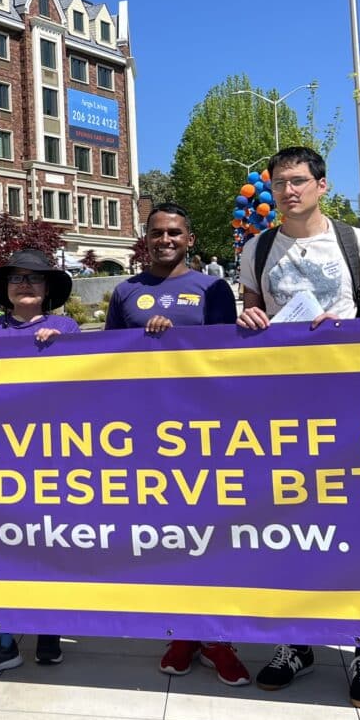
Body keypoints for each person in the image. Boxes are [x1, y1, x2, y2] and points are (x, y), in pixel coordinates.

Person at [236, 147, 360, 706]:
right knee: (291, 525)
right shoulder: (260, 247)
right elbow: (250, 323)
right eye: (279, 184)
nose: (288, 191)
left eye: (299, 182)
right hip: (285, 408)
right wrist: (249, 318)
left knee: (358, 525)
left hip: (350, 408)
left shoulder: (356, 243)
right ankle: (295, 642)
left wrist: (346, 333)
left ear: (322, 186)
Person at [105, 203, 247, 686]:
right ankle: (184, 631)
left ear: (189, 239)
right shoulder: (126, 291)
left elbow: (230, 356)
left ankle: (218, 637)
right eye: (156, 233)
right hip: (147, 433)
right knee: (170, 537)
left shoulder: (212, 288)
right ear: (145, 239)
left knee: (213, 535)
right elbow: (107, 361)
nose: (165, 239)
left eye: (174, 233)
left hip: (205, 434)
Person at [0, 249, 78, 677]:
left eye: (34, 278)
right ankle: (5, 638)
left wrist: (66, 350)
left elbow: (88, 383)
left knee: (50, 545)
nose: (24, 285)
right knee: (3, 547)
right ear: (5, 289)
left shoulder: (66, 328)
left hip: (51, 456)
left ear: (48, 289)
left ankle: (49, 628)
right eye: (16, 279)